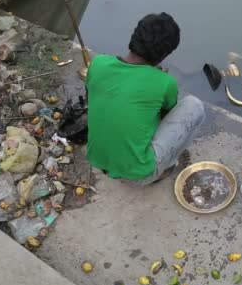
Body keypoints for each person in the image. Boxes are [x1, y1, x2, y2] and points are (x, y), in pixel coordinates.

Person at [86, 13, 204, 185]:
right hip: (137, 175)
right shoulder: (164, 82)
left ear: (134, 37)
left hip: (98, 160)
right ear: (164, 55)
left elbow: (93, 97)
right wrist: (156, 80)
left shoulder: (98, 63)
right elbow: (167, 115)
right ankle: (166, 166)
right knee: (194, 106)